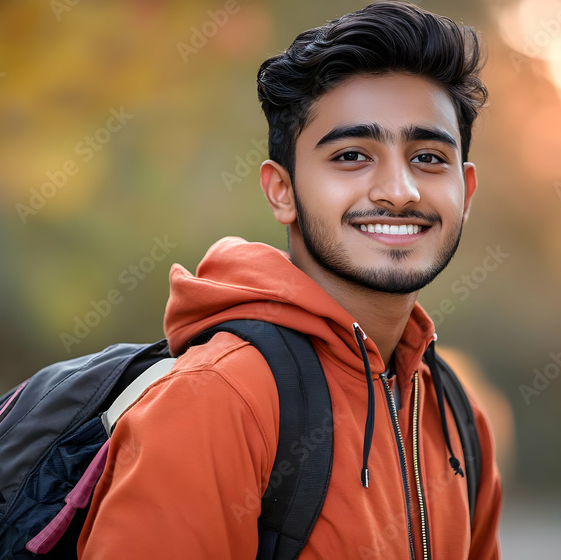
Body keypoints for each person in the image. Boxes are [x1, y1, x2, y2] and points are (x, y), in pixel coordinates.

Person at [78, 2, 502, 558]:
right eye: (352, 155)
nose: (400, 190)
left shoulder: (454, 416)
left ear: (466, 192)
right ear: (282, 190)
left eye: (428, 157)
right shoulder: (219, 400)